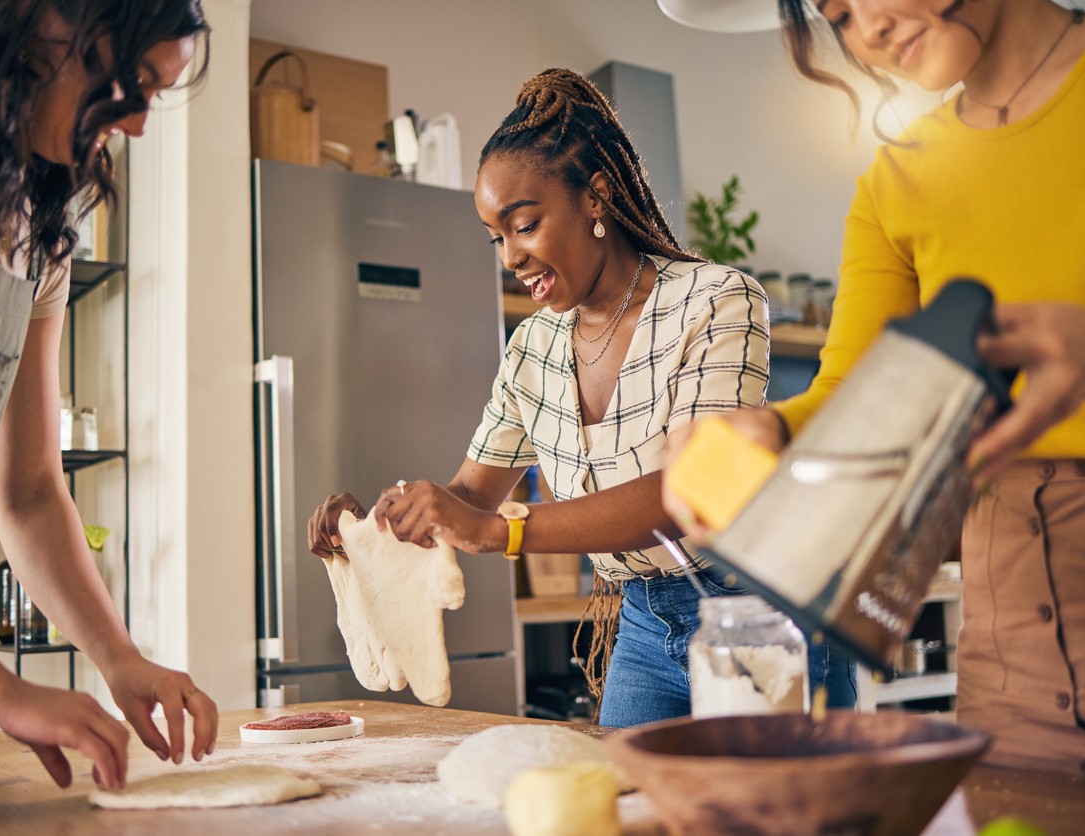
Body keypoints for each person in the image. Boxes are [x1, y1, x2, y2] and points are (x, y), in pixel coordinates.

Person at [308, 67, 855, 728]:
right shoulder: (531, 347)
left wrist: (501, 531)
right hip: (645, 629)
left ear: (595, 198)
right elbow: (472, 497)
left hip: (759, 617)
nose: (510, 255)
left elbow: (691, 493)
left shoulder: (714, 299)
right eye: (496, 237)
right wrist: (375, 527)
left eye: (524, 224)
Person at [669, 0, 1085, 777]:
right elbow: (850, 390)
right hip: (1013, 655)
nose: (865, 29)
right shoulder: (894, 182)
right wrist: (768, 431)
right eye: (834, 13)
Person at [0, 1, 218, 829]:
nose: (134, 123)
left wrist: (119, 658)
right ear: (52, 24)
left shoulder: (34, 231)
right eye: (132, 83)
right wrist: (2, 691)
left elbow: (27, 489)